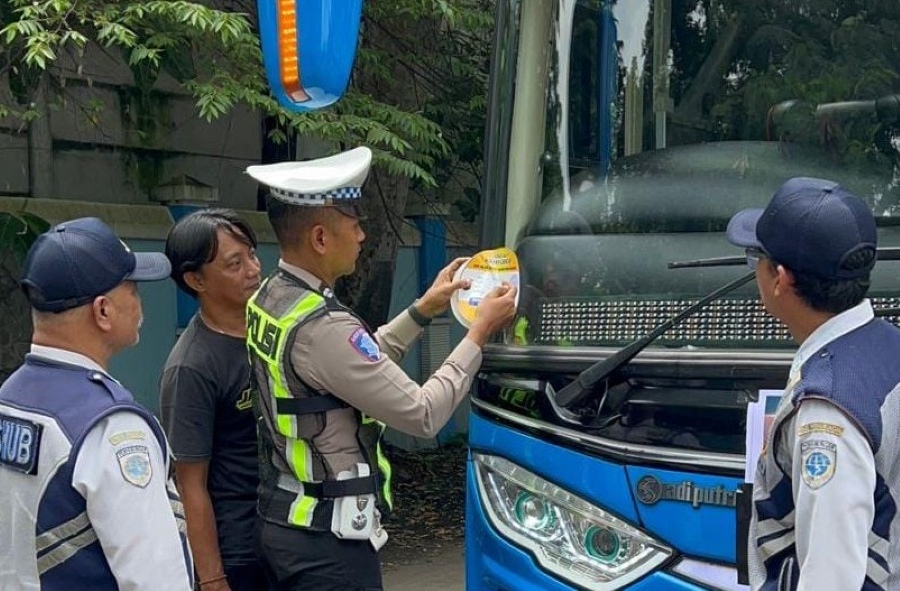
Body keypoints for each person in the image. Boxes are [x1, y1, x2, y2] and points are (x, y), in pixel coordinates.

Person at [244, 147, 518, 591]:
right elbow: (422, 413)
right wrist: (478, 335)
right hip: (328, 549)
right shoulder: (322, 327)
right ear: (319, 238)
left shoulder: (273, 298)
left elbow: (351, 367)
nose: (362, 237)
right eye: (355, 225)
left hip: (286, 526)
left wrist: (422, 309)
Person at [0, 217, 193, 590]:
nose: (140, 303)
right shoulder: (111, 427)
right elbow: (155, 577)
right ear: (102, 311)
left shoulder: (10, 399)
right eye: (133, 289)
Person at [726, 177, 900, 590]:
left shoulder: (829, 416)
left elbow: (831, 576)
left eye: (756, 259)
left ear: (779, 279)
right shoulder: (887, 346)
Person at [160, 209, 267, 591]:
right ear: (195, 280)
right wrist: (212, 578)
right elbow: (191, 483)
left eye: (252, 255)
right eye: (234, 263)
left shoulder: (273, 329)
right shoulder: (192, 367)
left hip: (290, 538)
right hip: (240, 552)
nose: (253, 269)